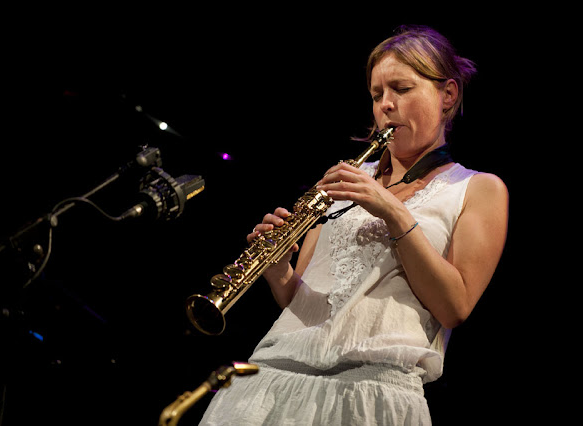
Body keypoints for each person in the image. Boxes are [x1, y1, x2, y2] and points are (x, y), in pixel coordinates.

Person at [199, 25, 508, 425]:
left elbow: (455, 308)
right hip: (271, 377)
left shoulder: (478, 188)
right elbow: (303, 300)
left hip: (372, 393)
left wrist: (393, 211)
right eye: (377, 94)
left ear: (447, 94)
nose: (386, 106)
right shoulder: (345, 179)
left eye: (402, 88)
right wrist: (279, 273)